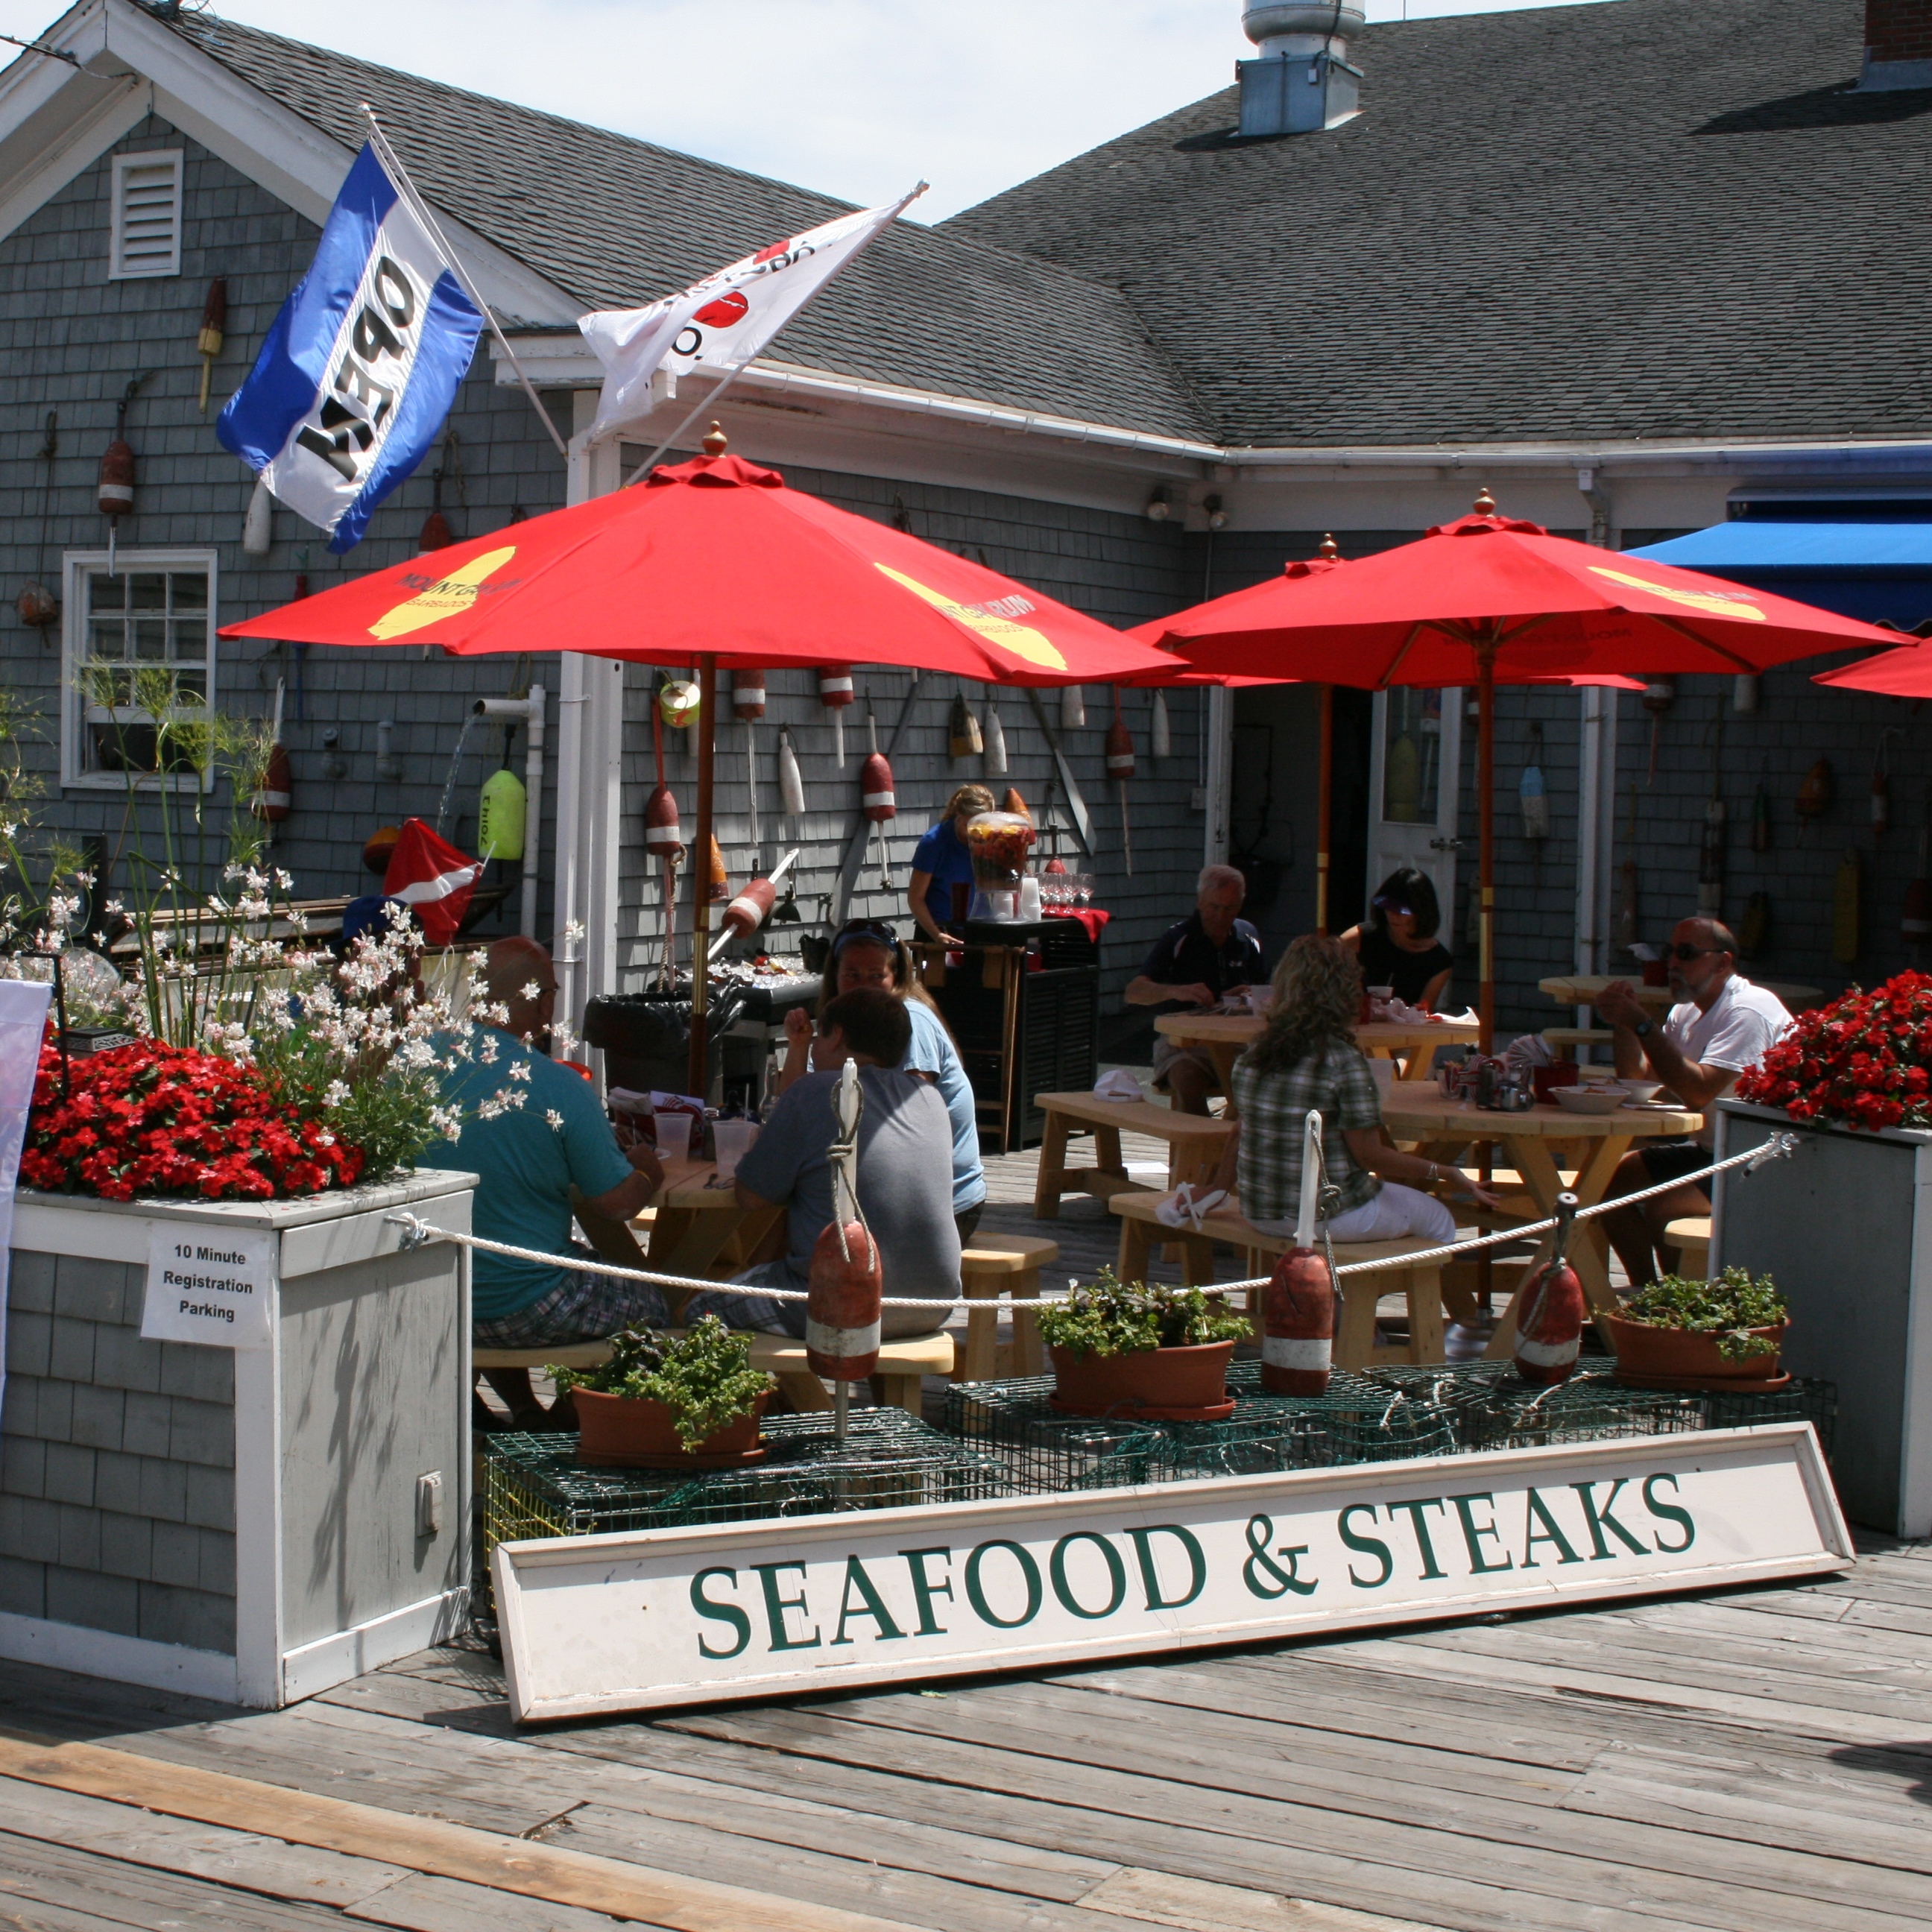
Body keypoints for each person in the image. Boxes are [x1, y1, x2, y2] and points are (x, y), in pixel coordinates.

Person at [432, 936, 666, 1426]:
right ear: (541, 1002)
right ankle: (569, 1417)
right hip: (528, 1302)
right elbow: (618, 1204)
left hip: (435, 1295)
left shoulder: (412, 1068)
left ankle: (520, 1411)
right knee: (656, 1303)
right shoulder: (558, 1084)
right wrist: (647, 1169)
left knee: (504, 1271)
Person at [686, 988, 962, 1342]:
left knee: (698, 1310)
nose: (814, 1047)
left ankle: (781, 1398)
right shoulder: (929, 1099)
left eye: (819, 1037)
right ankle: (787, 1399)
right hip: (932, 1307)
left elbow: (751, 1197)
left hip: (840, 1306)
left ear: (838, 1037)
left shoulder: (818, 1091)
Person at [1214, 933, 1499, 1242]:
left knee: (1398, 1205)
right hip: (1328, 1215)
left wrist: (1214, 1190)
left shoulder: (1254, 1055)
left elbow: (1239, 1131)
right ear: (1346, 991)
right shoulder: (1343, 1061)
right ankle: (1378, 1288)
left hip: (1261, 1214)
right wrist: (1446, 1172)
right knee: (1438, 1217)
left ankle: (1356, 1287)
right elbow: (1370, 1157)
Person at [1595, 917, 1792, 1286]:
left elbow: (1699, 1090)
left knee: (1663, 1209)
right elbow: (1638, 1080)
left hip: (1757, 1158)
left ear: (1722, 963)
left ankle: (1680, 1312)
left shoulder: (1747, 1011)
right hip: (1712, 1148)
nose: (1672, 964)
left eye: (1686, 954)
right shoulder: (1686, 1011)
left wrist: (1643, 1025)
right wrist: (1623, 1022)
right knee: (1607, 1185)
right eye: (1670, 953)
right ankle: (1647, 1298)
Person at [777, 918, 988, 1243]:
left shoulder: (910, 1020)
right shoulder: (842, 1021)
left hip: (941, 1205)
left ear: (897, 978)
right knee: (780, 1220)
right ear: (835, 976)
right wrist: (799, 1046)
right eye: (853, 975)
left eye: (876, 976)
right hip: (883, 1188)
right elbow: (791, 1106)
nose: (864, 986)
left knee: (789, 1218)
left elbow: (911, 1127)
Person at [1124, 863, 1266, 1114]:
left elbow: (1266, 990)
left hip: (1239, 1042)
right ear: (1200, 902)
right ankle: (1197, 1147)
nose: (1221, 916)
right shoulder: (1178, 938)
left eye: (1230, 908)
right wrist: (1175, 991)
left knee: (1265, 1077)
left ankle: (1234, 1141)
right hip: (1186, 1044)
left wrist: (1249, 996)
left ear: (1240, 905)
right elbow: (1134, 992)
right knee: (1186, 1077)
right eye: (1214, 907)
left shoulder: (1248, 936)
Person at [1339, 868, 1453, 1011]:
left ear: (1421, 911)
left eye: (1403, 910)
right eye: (1388, 906)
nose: (1394, 915)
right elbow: (1322, 968)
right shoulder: (1359, 937)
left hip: (1404, 1030)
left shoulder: (1439, 961)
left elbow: (1424, 1012)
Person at [907, 783, 995, 944]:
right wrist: (937, 935)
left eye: (982, 827)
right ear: (959, 815)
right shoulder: (934, 842)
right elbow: (915, 898)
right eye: (970, 826)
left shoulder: (990, 839)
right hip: (939, 929)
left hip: (977, 927)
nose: (976, 833)